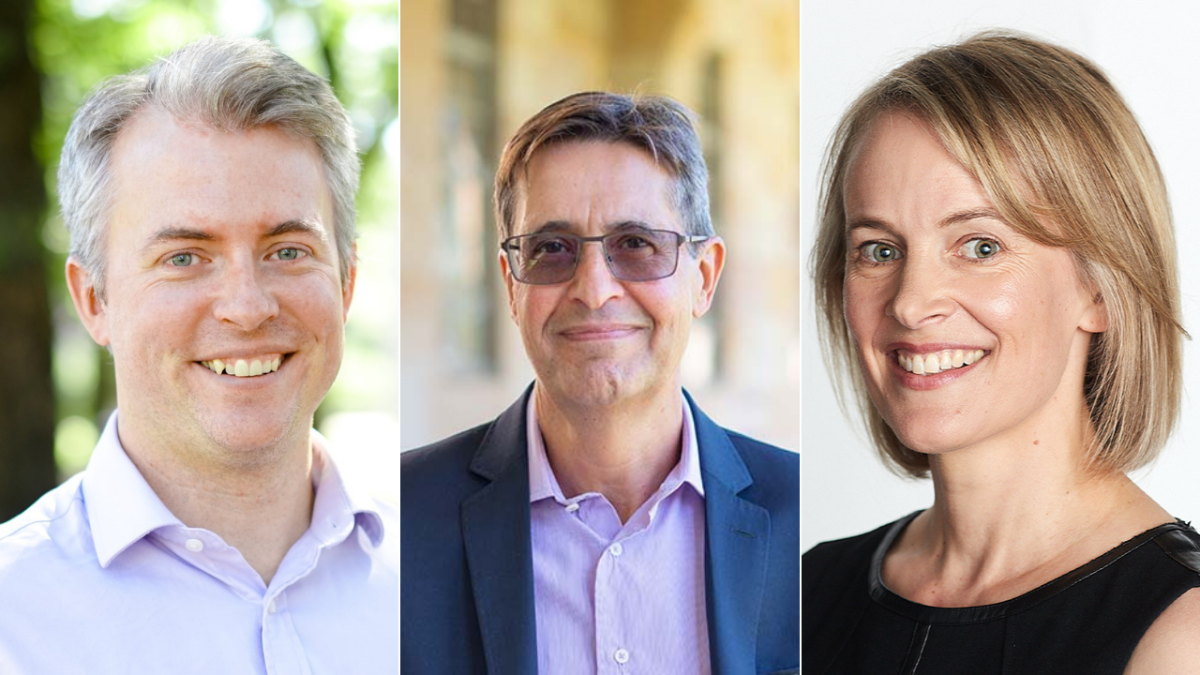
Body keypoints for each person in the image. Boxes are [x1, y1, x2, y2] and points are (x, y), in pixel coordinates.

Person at [803, 32, 1200, 674]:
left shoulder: (1183, 636)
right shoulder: (808, 589)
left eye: (980, 247)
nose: (910, 302)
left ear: (1099, 288)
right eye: (879, 250)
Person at [0, 38, 397, 673]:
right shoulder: (11, 619)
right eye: (184, 258)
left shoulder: (443, 573)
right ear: (95, 299)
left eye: (288, 250)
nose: (247, 307)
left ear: (346, 282)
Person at [401, 92, 799, 674]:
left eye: (636, 244)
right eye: (552, 249)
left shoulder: (801, 521)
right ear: (511, 284)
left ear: (704, 278)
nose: (594, 289)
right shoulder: (403, 522)